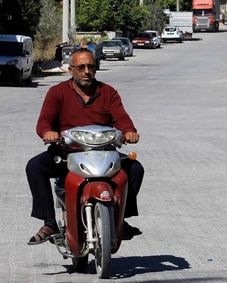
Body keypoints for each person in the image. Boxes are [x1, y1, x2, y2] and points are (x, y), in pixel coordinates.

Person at [25, 47, 144, 245]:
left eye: (91, 66)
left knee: (135, 169)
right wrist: (48, 132)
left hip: (103, 153)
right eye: (81, 67)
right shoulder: (57, 92)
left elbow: (122, 118)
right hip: (67, 153)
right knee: (34, 166)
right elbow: (44, 121)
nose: (86, 71)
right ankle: (49, 222)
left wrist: (129, 131)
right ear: (71, 70)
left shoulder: (108, 92)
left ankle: (120, 219)